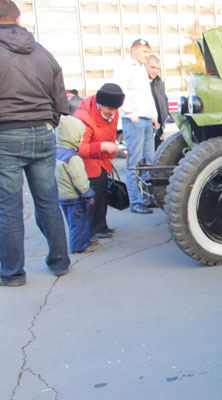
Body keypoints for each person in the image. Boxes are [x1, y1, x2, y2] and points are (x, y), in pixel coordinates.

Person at [0, 0, 71, 285]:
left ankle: (13, 273)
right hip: (42, 133)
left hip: (5, 135)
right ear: (18, 18)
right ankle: (59, 261)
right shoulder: (43, 53)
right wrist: (48, 122)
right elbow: (61, 101)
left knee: (9, 207)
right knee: (48, 201)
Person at [113, 38, 158, 214]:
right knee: (134, 163)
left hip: (146, 120)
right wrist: (132, 116)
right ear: (134, 50)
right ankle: (136, 201)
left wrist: (153, 116)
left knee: (149, 162)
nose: (147, 56)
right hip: (135, 121)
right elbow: (120, 93)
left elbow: (147, 95)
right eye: (144, 52)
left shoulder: (141, 70)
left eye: (148, 52)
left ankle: (148, 197)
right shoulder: (124, 68)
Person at [74, 83, 124, 239]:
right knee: (94, 197)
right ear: (100, 104)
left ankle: (101, 225)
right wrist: (103, 146)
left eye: (116, 110)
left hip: (101, 161)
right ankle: (95, 228)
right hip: (88, 163)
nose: (113, 113)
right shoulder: (83, 118)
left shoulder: (111, 113)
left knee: (101, 194)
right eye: (110, 110)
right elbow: (80, 148)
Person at [55, 116, 98, 254]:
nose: (81, 140)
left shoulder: (56, 154)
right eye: (79, 137)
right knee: (79, 222)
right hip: (75, 197)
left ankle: (84, 238)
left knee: (72, 222)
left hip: (62, 196)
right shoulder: (73, 158)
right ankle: (79, 246)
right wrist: (88, 192)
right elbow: (79, 179)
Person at [145, 55, 169, 150]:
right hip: (147, 125)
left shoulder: (159, 82)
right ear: (145, 66)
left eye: (157, 68)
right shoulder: (140, 83)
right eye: (152, 67)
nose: (155, 71)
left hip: (159, 127)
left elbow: (163, 100)